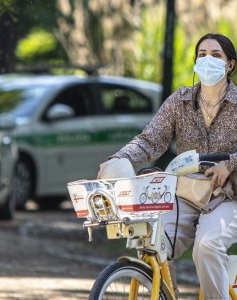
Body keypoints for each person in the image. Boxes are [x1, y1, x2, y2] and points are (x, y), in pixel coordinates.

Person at [97, 33, 237, 300]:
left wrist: (229, 164)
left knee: (207, 246)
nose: (208, 60)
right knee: (151, 243)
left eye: (216, 55)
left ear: (230, 64)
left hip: (228, 196)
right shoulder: (180, 101)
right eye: (202, 54)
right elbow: (150, 140)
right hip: (186, 194)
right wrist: (119, 159)